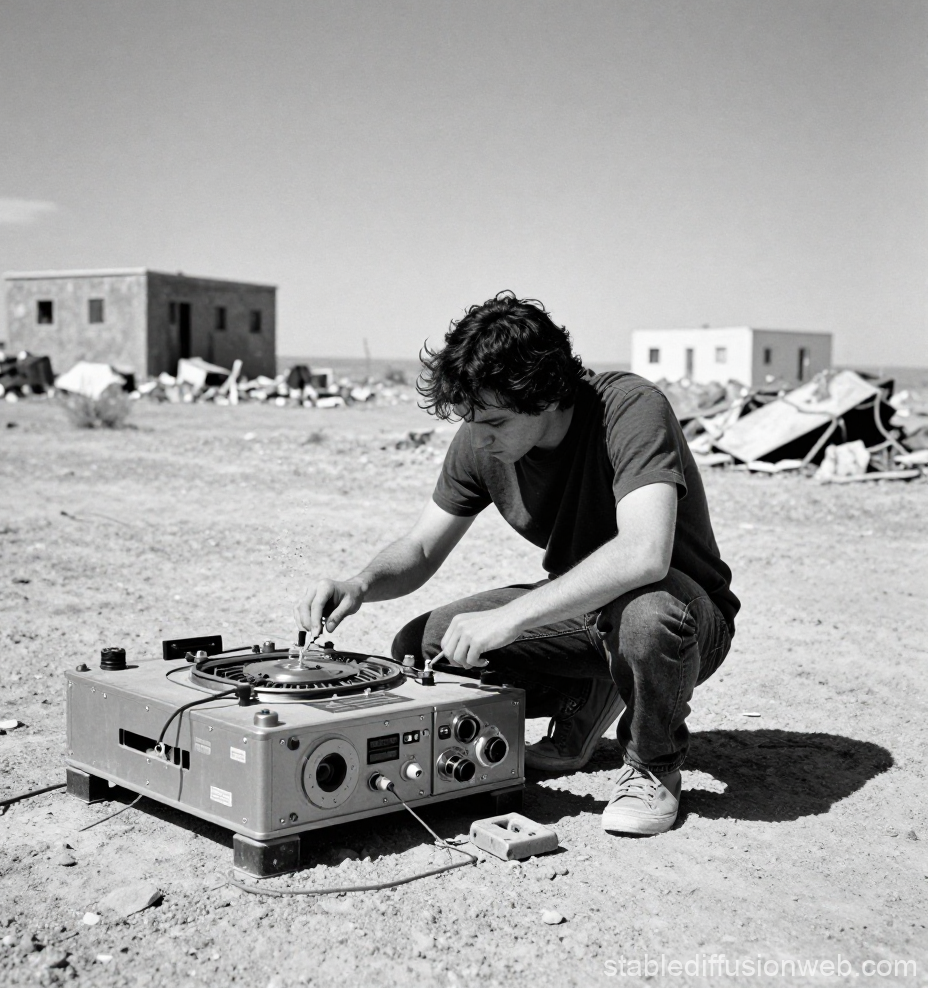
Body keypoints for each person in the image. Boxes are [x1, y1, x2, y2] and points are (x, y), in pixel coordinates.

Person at [295, 292, 738, 836]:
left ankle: (653, 765)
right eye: (470, 419)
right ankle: (587, 694)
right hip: (588, 615)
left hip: (685, 618)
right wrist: (359, 583)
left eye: (496, 423)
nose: (479, 437)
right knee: (424, 649)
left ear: (548, 394)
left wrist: (515, 618)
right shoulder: (482, 437)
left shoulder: (629, 408)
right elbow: (421, 548)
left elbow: (646, 553)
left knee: (644, 616)